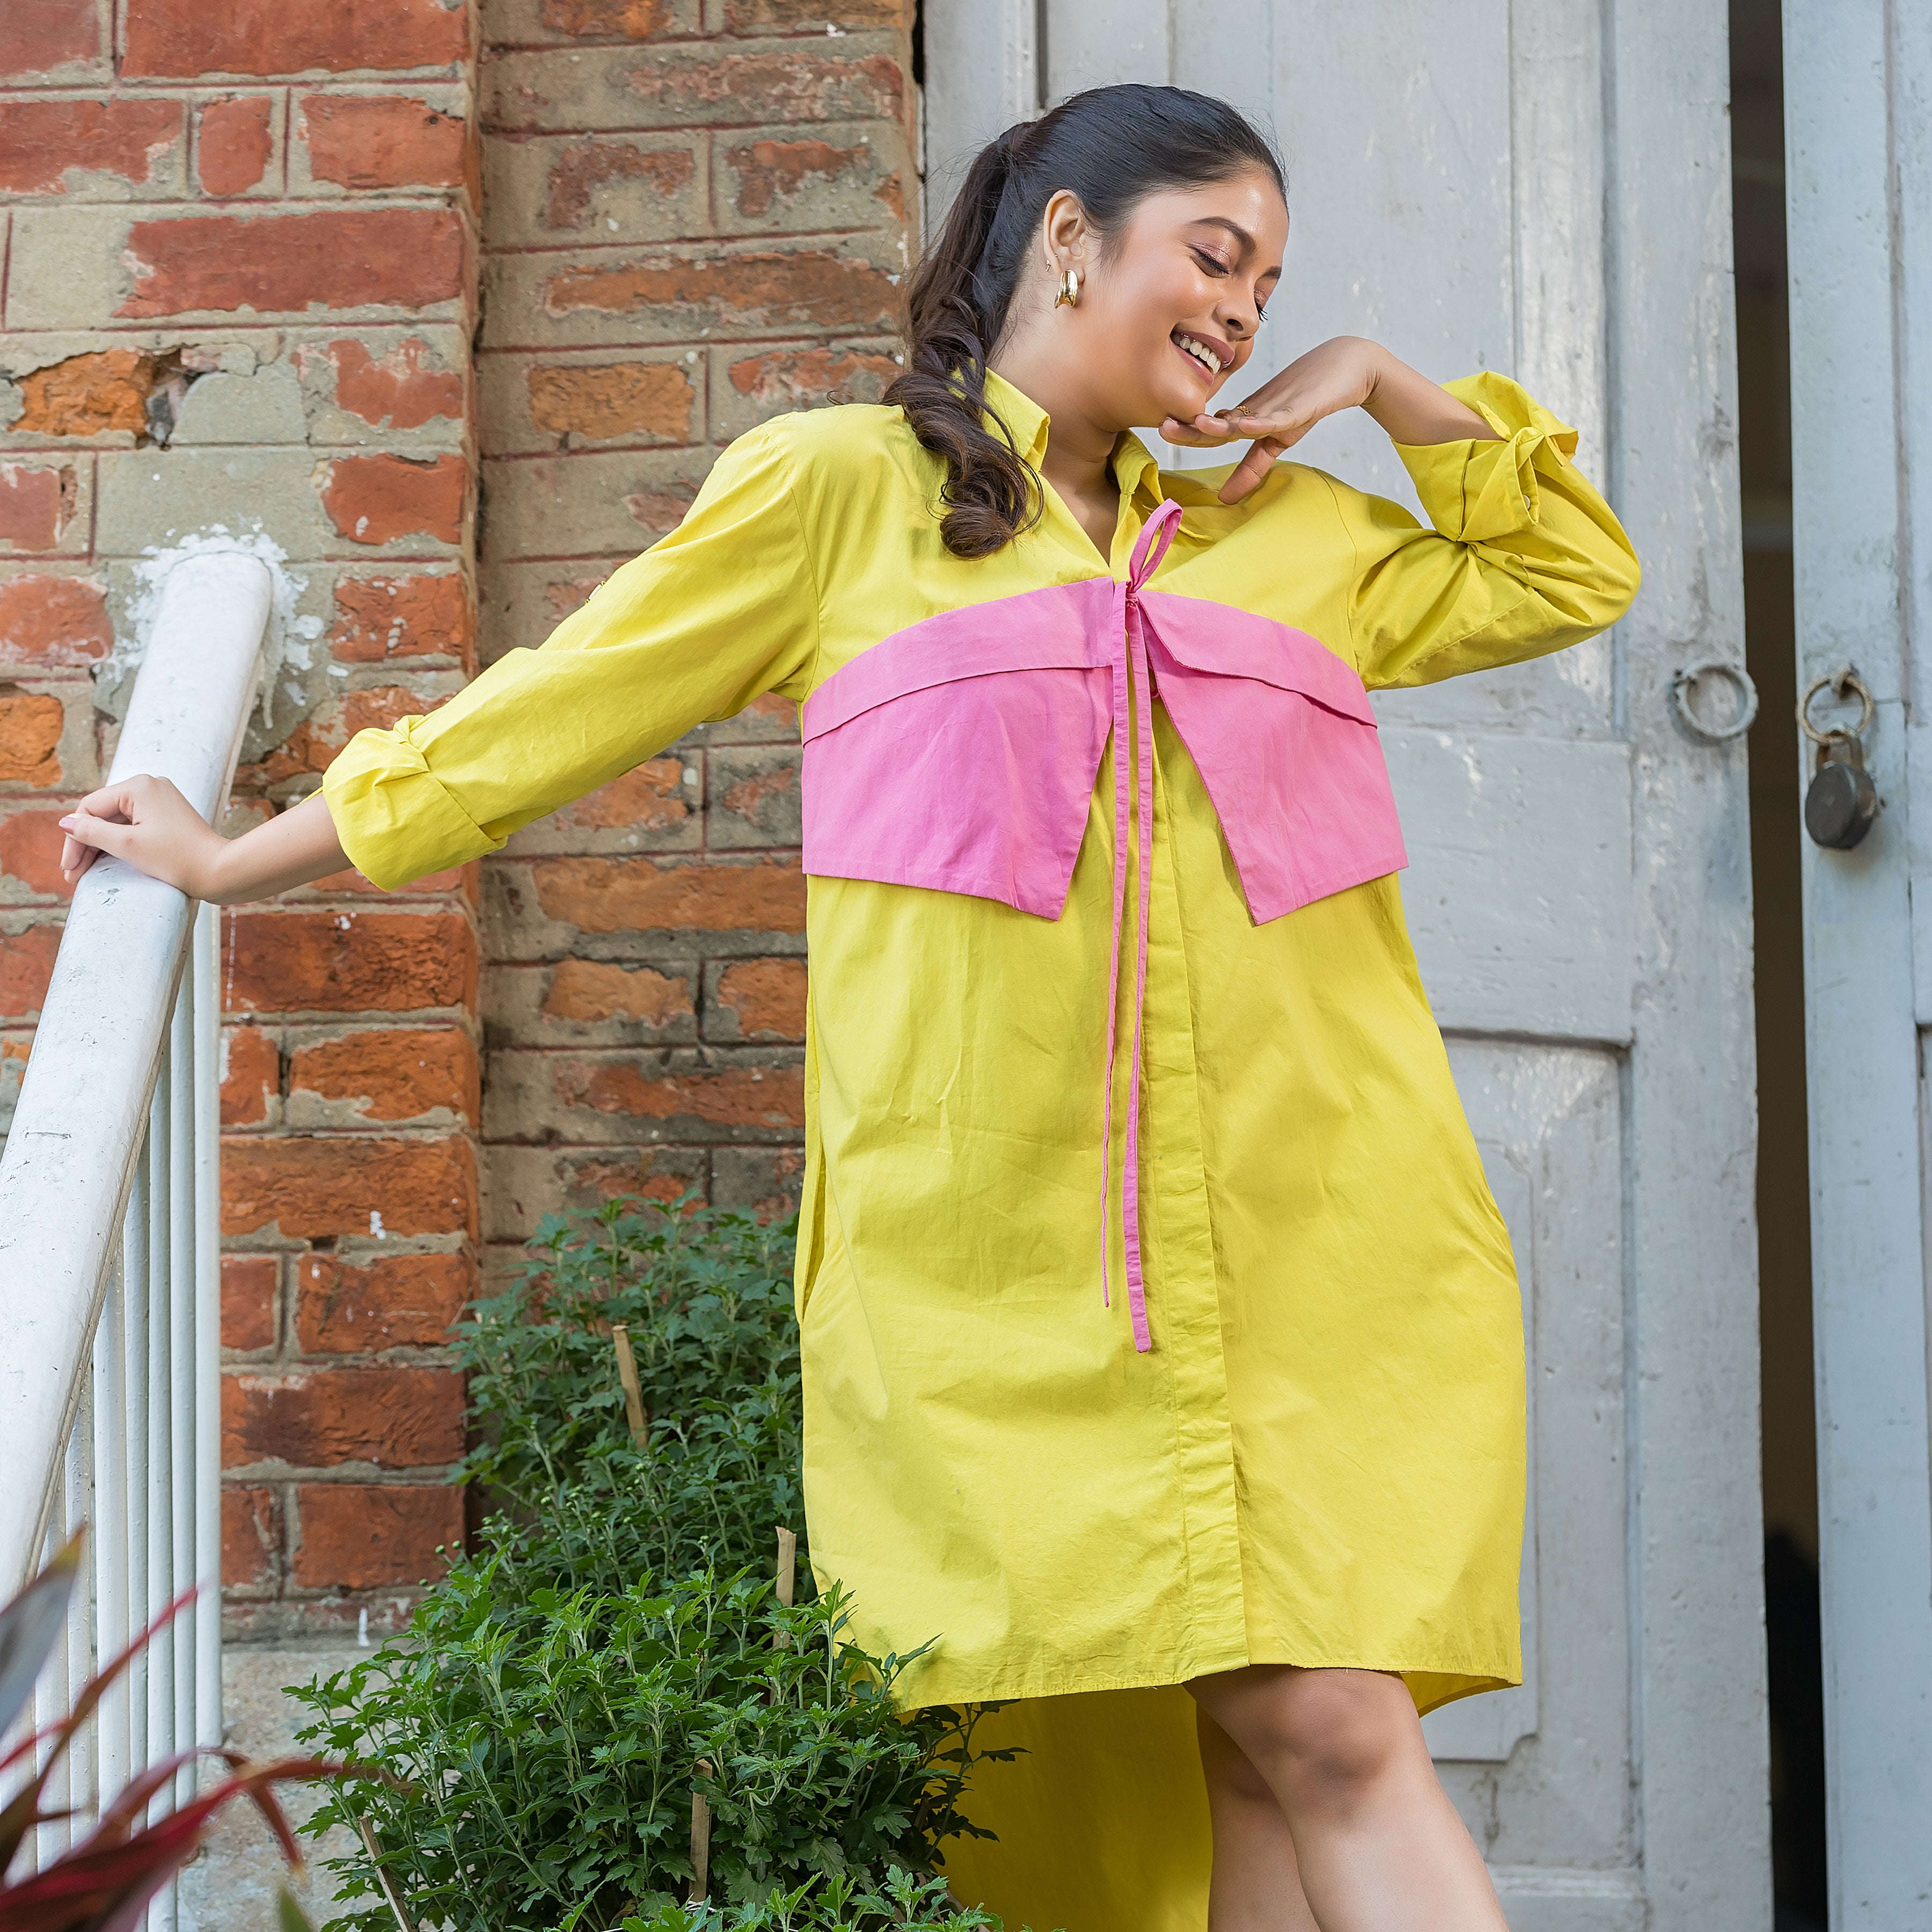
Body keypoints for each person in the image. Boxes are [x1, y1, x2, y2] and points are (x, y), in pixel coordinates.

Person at [58, 83, 1638, 1932]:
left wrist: (1376, 379)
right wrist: (241, 860)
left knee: (1328, 1734)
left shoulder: (1284, 543)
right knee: (1220, 1789)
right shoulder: (839, 495)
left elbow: (1566, 571)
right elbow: (555, 711)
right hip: (1009, 1272)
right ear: (1067, 233)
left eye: (1275, 285)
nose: (1244, 311)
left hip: (1329, 1245)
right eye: (1214, 256)